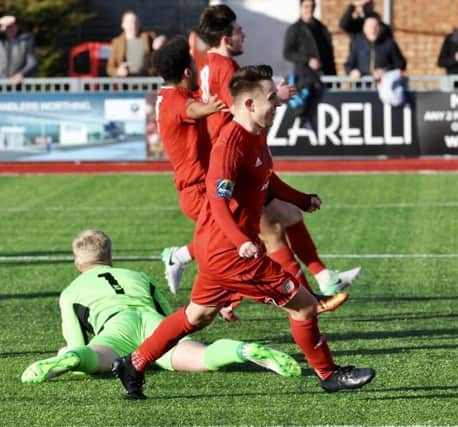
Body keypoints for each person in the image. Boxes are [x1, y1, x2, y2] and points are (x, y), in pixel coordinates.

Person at [112, 65, 376, 400]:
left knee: (198, 314)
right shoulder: (229, 147)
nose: (276, 105)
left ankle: (133, 363)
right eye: (270, 99)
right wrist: (241, 242)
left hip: (215, 249)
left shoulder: (256, 134)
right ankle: (328, 374)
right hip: (230, 253)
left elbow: (267, 178)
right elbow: (218, 201)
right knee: (305, 307)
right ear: (249, 104)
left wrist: (302, 199)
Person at [163, 4, 359, 320]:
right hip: (235, 164)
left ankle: (321, 278)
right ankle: (307, 298)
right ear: (226, 37)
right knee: (268, 235)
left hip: (241, 160)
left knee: (289, 214)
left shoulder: (213, 65)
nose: (243, 34)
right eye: (239, 30)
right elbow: (241, 111)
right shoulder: (225, 68)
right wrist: (277, 97)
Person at [20, 229, 301, 386]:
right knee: (201, 357)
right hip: (153, 321)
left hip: (116, 327)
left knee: (86, 357)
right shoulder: (138, 276)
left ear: (77, 263)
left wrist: (73, 353)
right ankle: (242, 350)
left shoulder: (71, 291)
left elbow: (75, 338)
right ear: (110, 257)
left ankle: (68, 360)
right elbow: (171, 319)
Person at [283, 0, 336, 125]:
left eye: (312, 6)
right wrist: (307, 60)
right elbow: (287, 52)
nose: (309, 9)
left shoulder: (321, 28)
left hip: (324, 77)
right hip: (304, 79)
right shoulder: (294, 29)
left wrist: (334, 76)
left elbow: (329, 54)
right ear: (301, 8)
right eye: (306, 6)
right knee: (305, 111)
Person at [344, 13, 406, 80]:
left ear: (380, 28)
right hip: (361, 86)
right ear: (364, 28)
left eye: (375, 26)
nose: (372, 29)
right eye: (369, 26)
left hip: (383, 86)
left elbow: (401, 64)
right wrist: (352, 71)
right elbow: (348, 65)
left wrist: (385, 71)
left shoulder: (389, 44)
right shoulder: (357, 44)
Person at [107, 11, 155, 77]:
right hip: (126, 82)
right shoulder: (117, 42)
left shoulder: (147, 37)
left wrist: (161, 40)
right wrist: (118, 71)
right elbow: (110, 68)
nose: (133, 25)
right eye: (129, 22)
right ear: (123, 24)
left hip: (146, 80)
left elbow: (162, 40)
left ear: (139, 24)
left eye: (135, 22)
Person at [0, 15, 38, 83]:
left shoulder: (25, 41)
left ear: (16, 26)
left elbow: (32, 62)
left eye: (11, 27)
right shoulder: (1, 41)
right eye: (6, 28)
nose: (9, 30)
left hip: (18, 86)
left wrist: (22, 74)